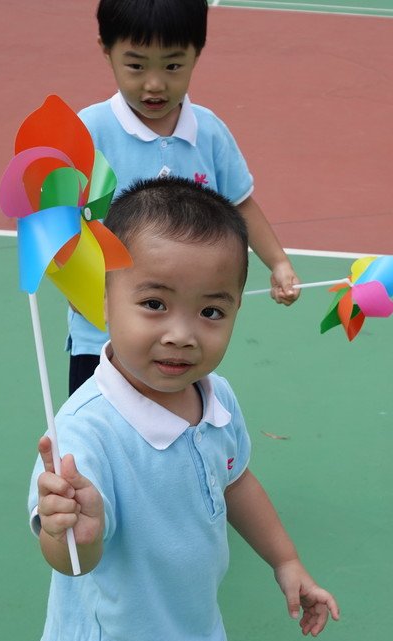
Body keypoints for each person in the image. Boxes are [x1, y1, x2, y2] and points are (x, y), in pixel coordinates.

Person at [28, 177, 339, 641]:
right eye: (154, 303)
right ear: (101, 299)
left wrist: (285, 560)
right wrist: (71, 532)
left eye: (211, 311)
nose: (182, 334)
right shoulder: (83, 433)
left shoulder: (217, 398)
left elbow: (236, 482)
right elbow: (73, 563)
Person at [66, 0, 301, 394]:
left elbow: (240, 203)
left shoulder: (209, 132)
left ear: (197, 54)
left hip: (183, 335)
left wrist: (278, 262)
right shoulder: (88, 132)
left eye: (173, 65)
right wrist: (80, 288)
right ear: (106, 50)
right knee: (98, 426)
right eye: (136, 65)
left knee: (180, 421)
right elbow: (62, 220)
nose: (155, 83)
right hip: (100, 337)